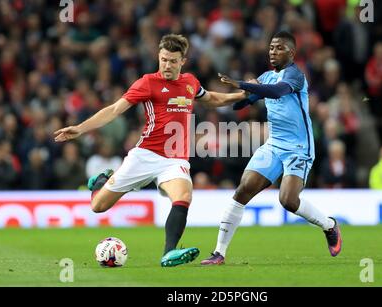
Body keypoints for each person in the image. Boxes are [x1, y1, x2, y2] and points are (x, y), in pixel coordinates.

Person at [54, 34, 247, 267]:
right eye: (164, 59)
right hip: (145, 155)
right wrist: (81, 128)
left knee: (184, 196)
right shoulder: (147, 82)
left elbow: (212, 98)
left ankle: (169, 253)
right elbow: (115, 109)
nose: (167, 65)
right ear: (158, 56)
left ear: (182, 62)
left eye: (173, 61)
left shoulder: (190, 82)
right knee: (98, 206)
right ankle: (100, 181)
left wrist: (242, 95)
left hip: (174, 160)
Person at [201, 31, 342, 266]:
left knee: (287, 200)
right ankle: (219, 253)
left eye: (278, 48)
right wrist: (237, 97)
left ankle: (329, 225)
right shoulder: (265, 77)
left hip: (299, 147)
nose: (273, 51)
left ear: (291, 52)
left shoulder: (296, 76)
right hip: (274, 144)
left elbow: (276, 92)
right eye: (271, 48)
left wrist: (243, 84)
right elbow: (244, 103)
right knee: (243, 189)